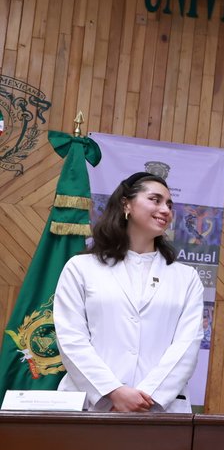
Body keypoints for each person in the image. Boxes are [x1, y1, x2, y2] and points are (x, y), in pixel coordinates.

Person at [54, 171, 204, 412]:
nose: (165, 210)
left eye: (169, 204)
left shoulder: (186, 277)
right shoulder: (81, 268)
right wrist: (112, 391)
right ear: (126, 204)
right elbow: (70, 338)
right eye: (155, 200)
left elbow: (186, 346)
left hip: (159, 409)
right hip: (93, 406)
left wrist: (147, 398)